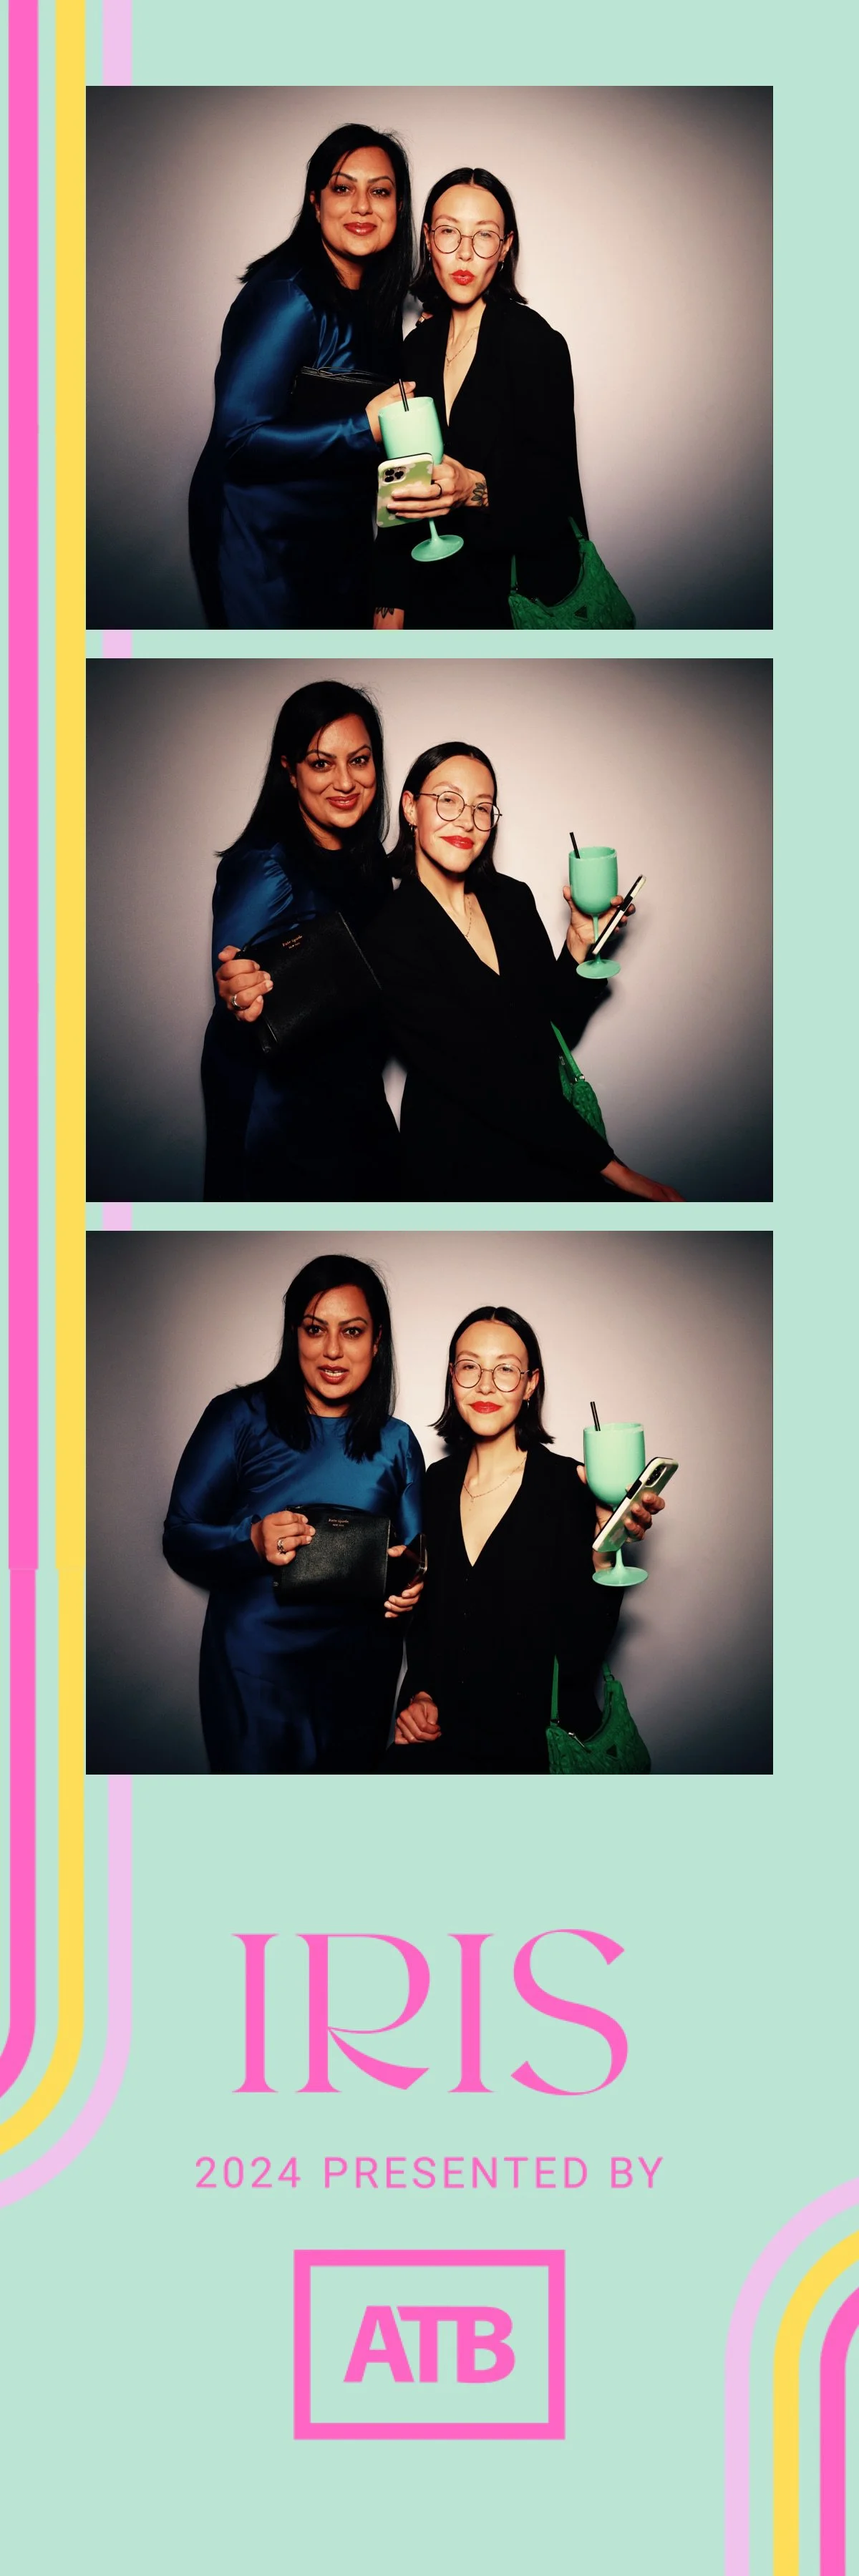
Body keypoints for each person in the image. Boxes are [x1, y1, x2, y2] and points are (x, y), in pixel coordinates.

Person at [363, 740, 682, 1201]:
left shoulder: (512, 900)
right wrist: (617, 1171)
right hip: (457, 1166)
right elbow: (484, 1077)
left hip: (549, 1144)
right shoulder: (388, 935)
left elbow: (552, 1030)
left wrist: (576, 950)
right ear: (411, 808)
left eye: (483, 807)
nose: (467, 822)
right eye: (448, 800)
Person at [162, 1258, 424, 1773]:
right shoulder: (238, 1416)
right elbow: (180, 1537)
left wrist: (411, 1583)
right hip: (256, 1667)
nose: (332, 1350)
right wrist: (251, 1540)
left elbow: (417, 1557)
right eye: (314, 1329)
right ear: (294, 1335)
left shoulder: (397, 1442)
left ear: (376, 1342)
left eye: (352, 1332)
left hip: (359, 1670)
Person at [389, 1305, 665, 1774]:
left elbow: (582, 1654)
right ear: (452, 1376)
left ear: (531, 1384)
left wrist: (604, 1550)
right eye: (470, 1366)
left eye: (506, 1371)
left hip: (532, 1754)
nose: (485, 1385)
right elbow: (427, 1626)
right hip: (444, 1750)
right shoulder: (433, 1483)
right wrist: (420, 1695)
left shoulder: (571, 1485)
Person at [189, 124, 417, 628]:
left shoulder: (373, 304)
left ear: (398, 209)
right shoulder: (288, 298)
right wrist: (365, 426)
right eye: (343, 187)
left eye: (379, 191)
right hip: (260, 546)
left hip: (332, 543)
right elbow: (238, 441)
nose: (362, 205)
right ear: (315, 203)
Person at [204, 680, 401, 1200]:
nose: (344, 781)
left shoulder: (370, 864)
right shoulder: (265, 866)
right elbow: (232, 979)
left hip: (355, 1093)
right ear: (289, 771)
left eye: (359, 760)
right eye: (321, 763)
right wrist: (235, 990)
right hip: (283, 1115)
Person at [373, 166, 588, 632]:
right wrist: (387, 608)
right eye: (449, 232)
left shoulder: (537, 344)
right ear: (428, 239)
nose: (464, 253)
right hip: (429, 602)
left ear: (506, 247)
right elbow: (400, 490)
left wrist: (470, 486)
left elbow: (554, 502)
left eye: (484, 236)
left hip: (511, 607)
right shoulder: (415, 348)